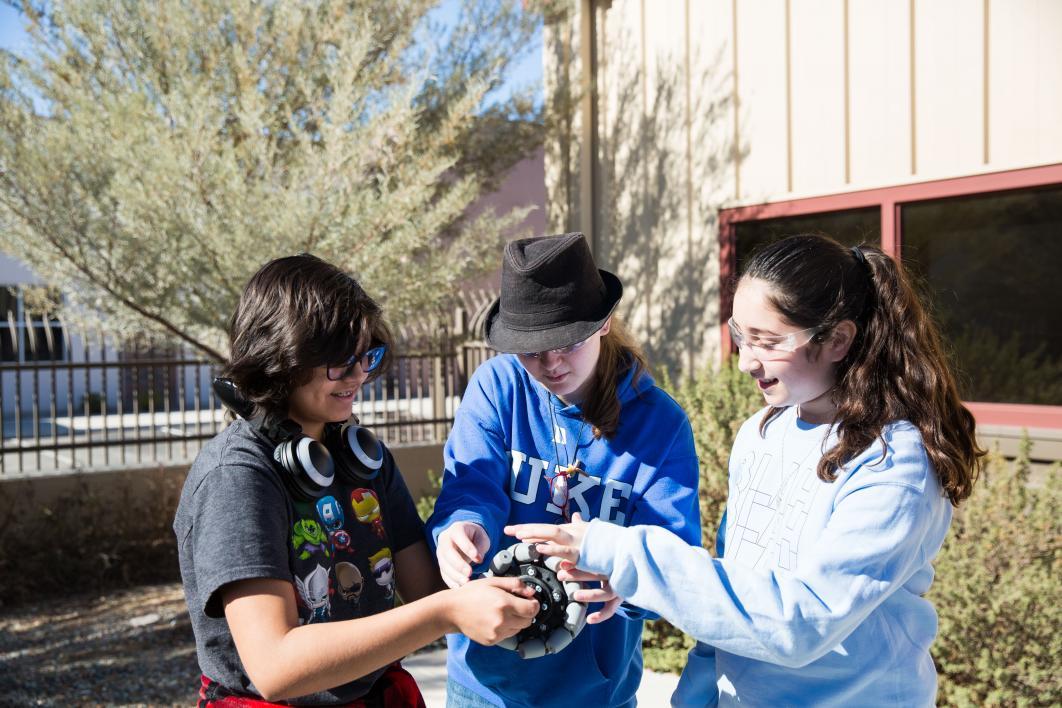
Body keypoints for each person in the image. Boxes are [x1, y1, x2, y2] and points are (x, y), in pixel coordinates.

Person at [509, 233, 985, 707]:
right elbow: (735, 591)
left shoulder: (893, 462)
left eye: (767, 341)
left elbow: (801, 622)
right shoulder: (760, 433)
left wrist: (623, 552)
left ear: (838, 339)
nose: (745, 362)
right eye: (740, 335)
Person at [174, 254, 539, 707]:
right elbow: (275, 667)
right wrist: (446, 614)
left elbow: (429, 588)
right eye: (339, 364)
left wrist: (526, 577)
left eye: (366, 356)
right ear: (281, 358)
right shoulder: (238, 477)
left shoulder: (361, 458)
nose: (359, 375)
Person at [425, 233, 701, 707]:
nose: (552, 364)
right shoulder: (497, 386)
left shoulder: (661, 425)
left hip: (594, 690)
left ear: (603, 325)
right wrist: (461, 527)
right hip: (485, 685)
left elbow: (671, 553)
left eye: (567, 344)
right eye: (532, 351)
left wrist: (627, 583)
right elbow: (471, 486)